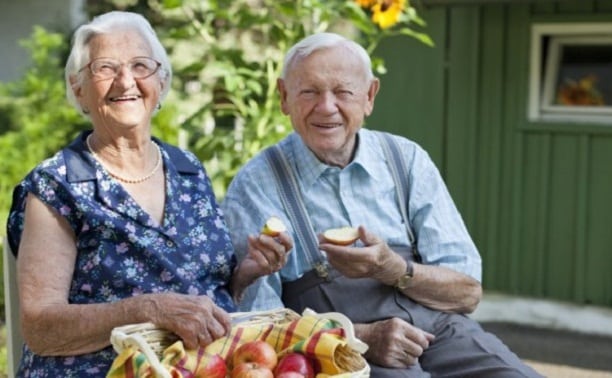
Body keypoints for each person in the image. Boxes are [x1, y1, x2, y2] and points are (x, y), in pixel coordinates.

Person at [221, 32, 543, 377]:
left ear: (369, 96)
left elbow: (466, 294)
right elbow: (258, 322)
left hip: (440, 332)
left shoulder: (405, 160)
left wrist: (393, 268)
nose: (326, 107)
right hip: (343, 350)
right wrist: (359, 335)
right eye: (309, 92)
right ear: (284, 97)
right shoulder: (258, 184)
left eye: (343, 92)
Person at [6, 11, 268, 377]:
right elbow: (41, 329)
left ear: (161, 82)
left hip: (205, 367)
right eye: (105, 68)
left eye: (140, 65)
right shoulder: (57, 185)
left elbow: (203, 289)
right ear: (79, 89)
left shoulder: (187, 169)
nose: (125, 80)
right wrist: (148, 309)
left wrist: (244, 274)